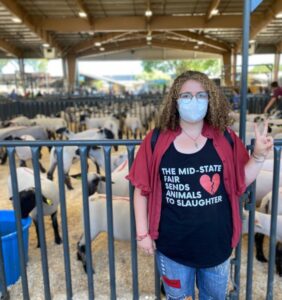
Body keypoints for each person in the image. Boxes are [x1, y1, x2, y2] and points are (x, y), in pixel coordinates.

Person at [126, 70, 273, 299]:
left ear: (210, 99)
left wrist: (258, 156)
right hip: (172, 244)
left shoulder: (225, 137)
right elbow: (141, 190)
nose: (193, 100)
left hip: (216, 243)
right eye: (186, 96)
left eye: (200, 95)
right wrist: (143, 233)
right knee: (178, 297)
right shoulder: (155, 140)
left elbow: (241, 180)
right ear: (175, 101)